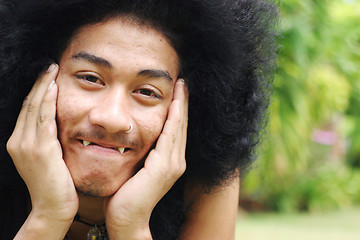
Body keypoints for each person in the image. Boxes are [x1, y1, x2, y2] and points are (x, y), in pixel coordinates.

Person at [0, 0, 278, 239]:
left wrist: (130, 227)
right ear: (33, 76)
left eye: (147, 92)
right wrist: (47, 218)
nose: (112, 118)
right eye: (90, 78)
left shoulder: (204, 179)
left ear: (185, 109)